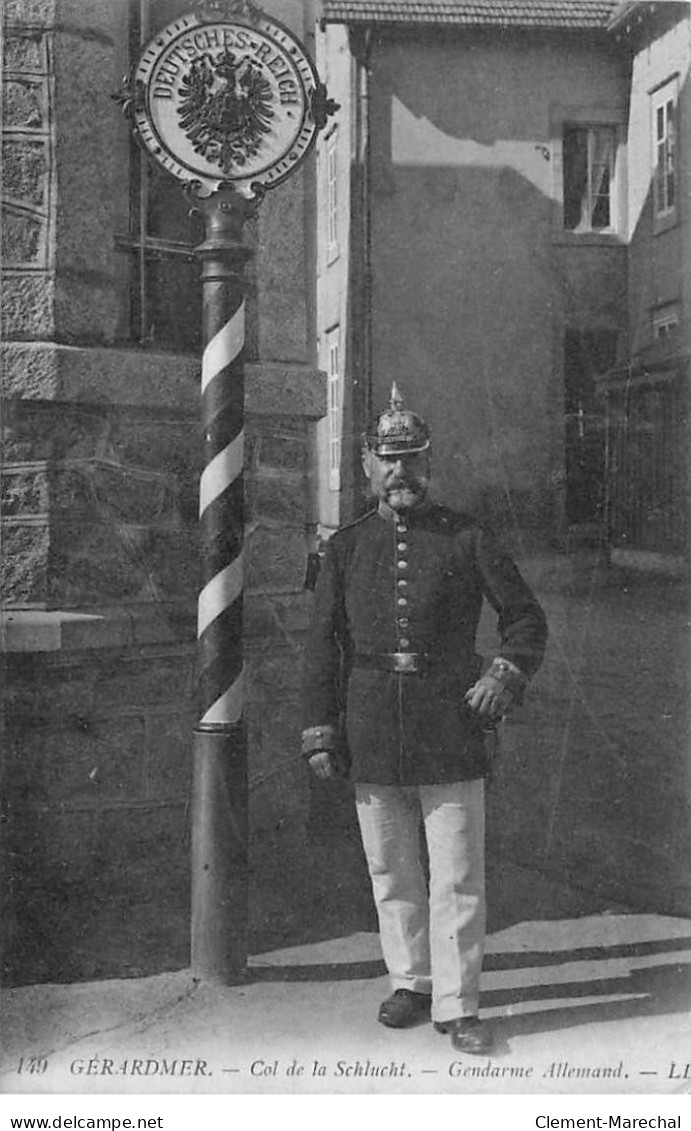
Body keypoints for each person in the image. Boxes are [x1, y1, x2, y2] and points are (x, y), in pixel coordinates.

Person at [301, 384, 547, 1054]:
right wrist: (320, 727)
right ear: (366, 465)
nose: (400, 472)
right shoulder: (346, 547)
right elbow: (322, 642)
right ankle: (410, 979)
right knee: (390, 869)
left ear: (429, 464)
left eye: (412, 459)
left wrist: (504, 671)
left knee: (458, 872)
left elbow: (524, 618)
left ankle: (458, 1002)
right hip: (371, 721)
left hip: (450, 723)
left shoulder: (467, 537)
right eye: (388, 459)